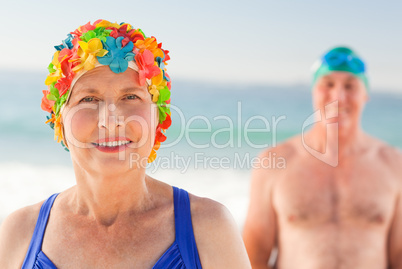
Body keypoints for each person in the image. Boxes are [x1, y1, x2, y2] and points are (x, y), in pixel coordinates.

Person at [0, 20, 251, 269]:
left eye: (131, 96)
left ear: (158, 118)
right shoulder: (19, 232)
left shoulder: (208, 228)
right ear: (59, 121)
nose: (111, 121)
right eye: (88, 98)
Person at [242, 46, 402, 269]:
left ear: (365, 94)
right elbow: (252, 257)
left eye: (350, 85)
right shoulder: (274, 162)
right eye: (327, 84)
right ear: (313, 91)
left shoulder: (394, 165)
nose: (338, 96)